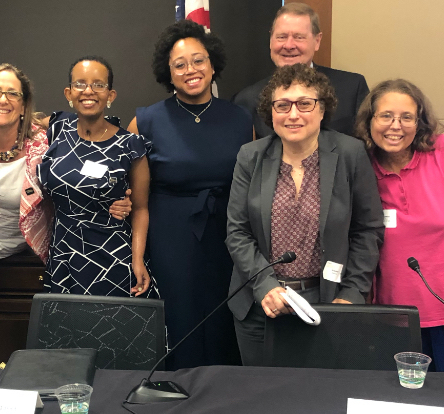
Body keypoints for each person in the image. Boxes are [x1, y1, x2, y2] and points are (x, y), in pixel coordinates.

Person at [226, 64, 384, 366]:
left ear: (322, 109)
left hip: (328, 301)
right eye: (282, 105)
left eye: (305, 104)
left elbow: (368, 230)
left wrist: (351, 294)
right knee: (262, 399)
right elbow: (238, 232)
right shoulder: (251, 156)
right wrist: (265, 286)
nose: (293, 114)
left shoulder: (350, 154)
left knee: (319, 398)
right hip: (262, 303)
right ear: (270, 113)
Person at [128, 20, 252, 369]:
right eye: (179, 64)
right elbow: (134, 195)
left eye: (198, 60)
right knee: (178, 313)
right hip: (170, 235)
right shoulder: (147, 120)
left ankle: (222, 394)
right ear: (167, 73)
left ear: (213, 64)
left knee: (223, 314)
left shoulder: (241, 118)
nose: (190, 70)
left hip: (228, 234)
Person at [0, 64, 130, 266]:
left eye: (12, 94)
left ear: (23, 105)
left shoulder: (44, 143)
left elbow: (79, 175)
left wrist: (112, 200)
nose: (3, 100)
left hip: (30, 245)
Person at [38, 56, 151, 297]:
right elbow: (15, 122)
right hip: (64, 252)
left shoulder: (130, 145)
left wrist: (138, 260)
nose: (88, 91)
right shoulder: (57, 131)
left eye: (98, 85)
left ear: (110, 95)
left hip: (110, 255)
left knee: (109, 331)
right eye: (80, 84)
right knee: (66, 330)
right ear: (68, 93)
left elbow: (140, 208)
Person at [353, 79, 444, 372]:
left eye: (407, 117)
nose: (396, 126)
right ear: (369, 122)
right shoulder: (358, 167)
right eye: (386, 116)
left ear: (419, 124)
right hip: (389, 317)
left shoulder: (439, 154)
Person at [233, 2, 369, 139]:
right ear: (270, 40)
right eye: (281, 37)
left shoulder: (352, 88)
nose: (289, 45)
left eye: (299, 37)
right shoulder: (247, 99)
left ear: (317, 41)